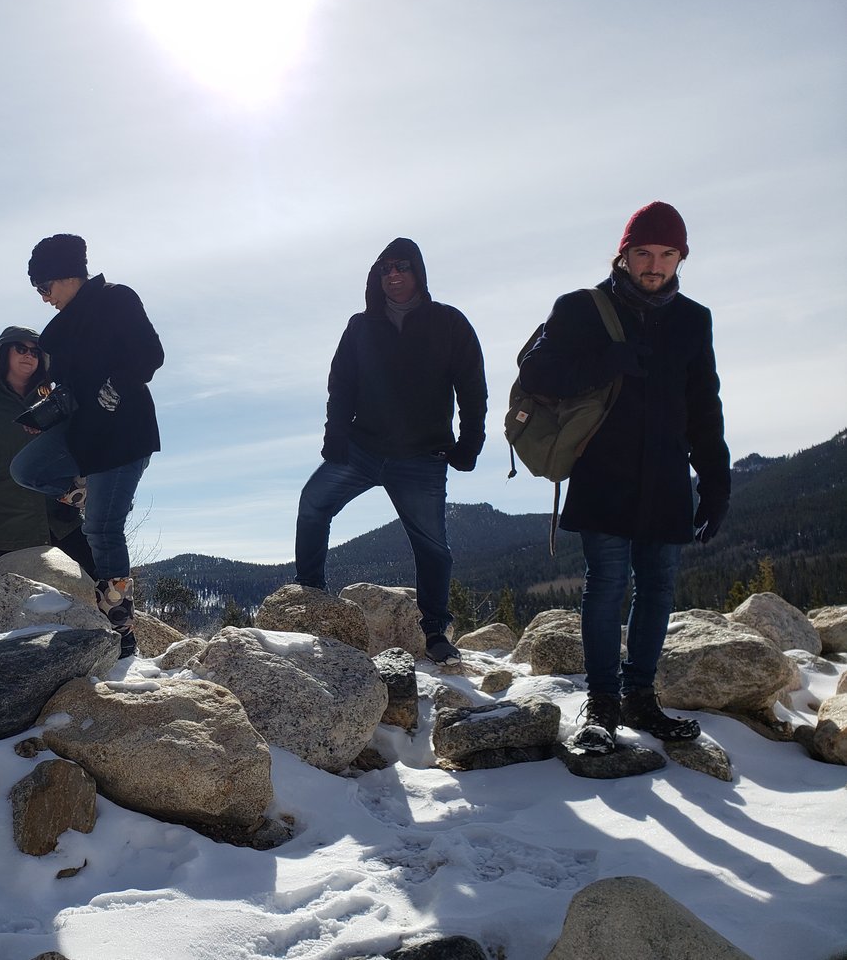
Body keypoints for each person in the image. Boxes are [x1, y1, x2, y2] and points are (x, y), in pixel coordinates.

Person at [518, 201, 729, 753]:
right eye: (644, 253)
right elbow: (536, 372)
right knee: (607, 586)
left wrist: (716, 478)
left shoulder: (693, 319)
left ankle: (640, 696)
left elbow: (705, 406)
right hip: (602, 471)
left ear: (681, 257)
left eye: (666, 254)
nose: (654, 265)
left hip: (665, 474)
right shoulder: (581, 309)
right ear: (624, 254)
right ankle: (603, 703)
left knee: (658, 587)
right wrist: (607, 361)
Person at [295, 237, 487, 669]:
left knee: (432, 546)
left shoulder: (448, 323)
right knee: (312, 505)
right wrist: (335, 436)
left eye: (402, 267)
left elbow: (472, 386)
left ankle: (436, 632)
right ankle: (308, 596)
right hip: (362, 449)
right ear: (376, 277)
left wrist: (470, 440)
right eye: (385, 269)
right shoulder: (360, 327)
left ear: (418, 271)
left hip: (422, 456)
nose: (393, 275)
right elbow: (340, 386)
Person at [10, 234, 164, 658]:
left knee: (100, 529)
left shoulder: (116, 299)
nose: (43, 298)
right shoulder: (56, 332)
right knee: (27, 469)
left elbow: (150, 353)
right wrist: (48, 410)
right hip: (80, 432)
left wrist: (118, 382)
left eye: (44, 287)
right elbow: (69, 387)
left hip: (124, 433)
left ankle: (121, 630)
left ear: (66, 277)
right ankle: (87, 491)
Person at [0, 325, 95, 573]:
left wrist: (69, 501)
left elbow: (77, 451)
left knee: (96, 581)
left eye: (35, 351)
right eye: (21, 349)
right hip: (0, 526)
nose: (29, 355)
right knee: (10, 604)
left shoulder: (56, 402)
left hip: (59, 521)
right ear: (3, 354)